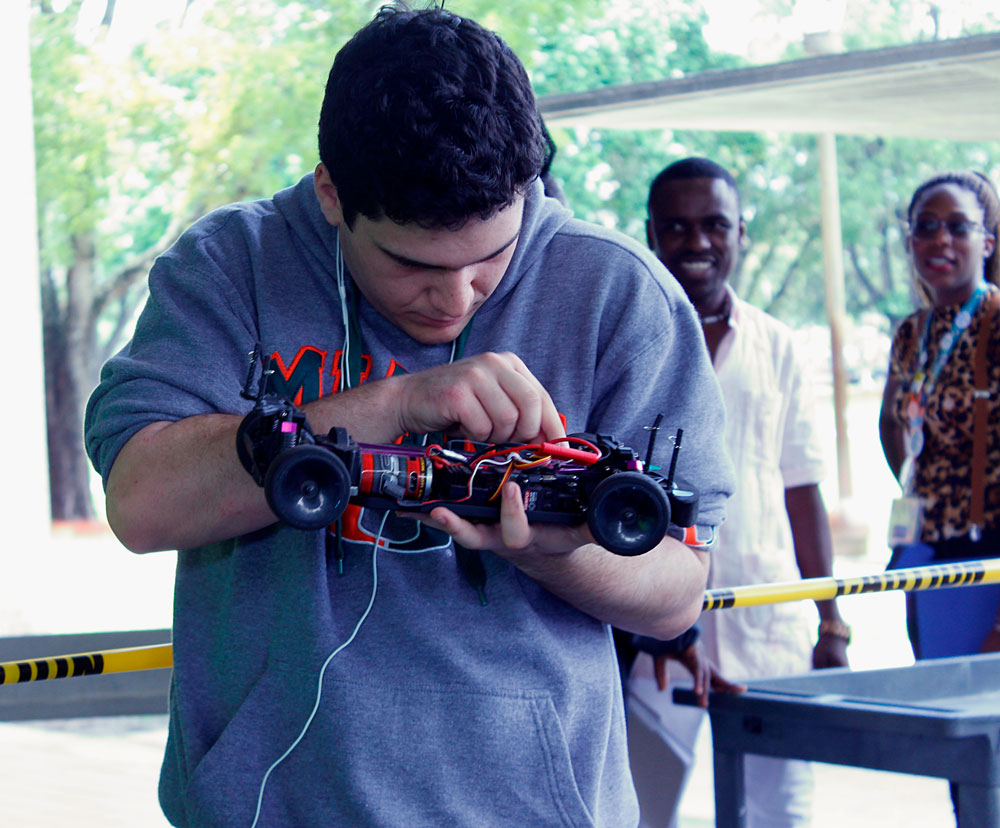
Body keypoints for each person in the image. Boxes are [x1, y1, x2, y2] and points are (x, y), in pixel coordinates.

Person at [84, 8, 733, 828]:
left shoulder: (616, 294)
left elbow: (678, 594)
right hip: (271, 809)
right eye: (413, 266)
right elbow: (140, 504)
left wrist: (552, 553)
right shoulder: (230, 266)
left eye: (491, 257)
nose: (456, 297)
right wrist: (384, 407)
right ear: (331, 193)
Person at [634, 157, 850, 828]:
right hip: (654, 639)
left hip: (769, 634)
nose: (696, 242)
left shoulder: (778, 346)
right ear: (651, 234)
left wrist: (831, 619)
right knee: (639, 812)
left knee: (779, 815)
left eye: (714, 225)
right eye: (676, 227)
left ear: (741, 233)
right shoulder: (629, 341)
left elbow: (802, 486)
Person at [879, 172, 1000, 658]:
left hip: (989, 556)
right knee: (942, 707)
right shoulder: (912, 332)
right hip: (928, 551)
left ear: (987, 241)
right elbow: (894, 424)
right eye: (925, 226)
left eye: (957, 226)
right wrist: (918, 488)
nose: (940, 240)